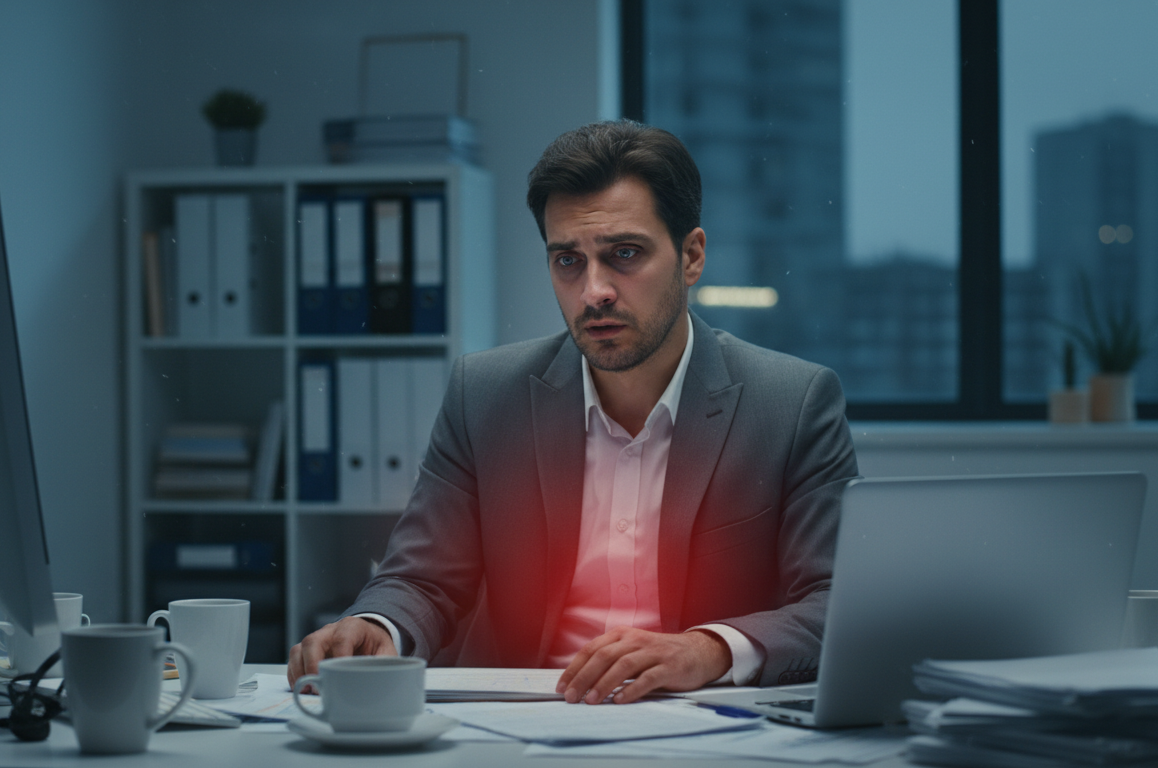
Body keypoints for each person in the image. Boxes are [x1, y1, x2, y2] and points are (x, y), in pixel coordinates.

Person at [288, 120, 858, 704]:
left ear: (691, 256)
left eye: (624, 254)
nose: (594, 291)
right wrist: (377, 625)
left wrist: (709, 648)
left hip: (699, 719)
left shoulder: (792, 402)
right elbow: (422, 579)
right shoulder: (484, 395)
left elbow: (837, 604)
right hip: (522, 722)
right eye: (568, 261)